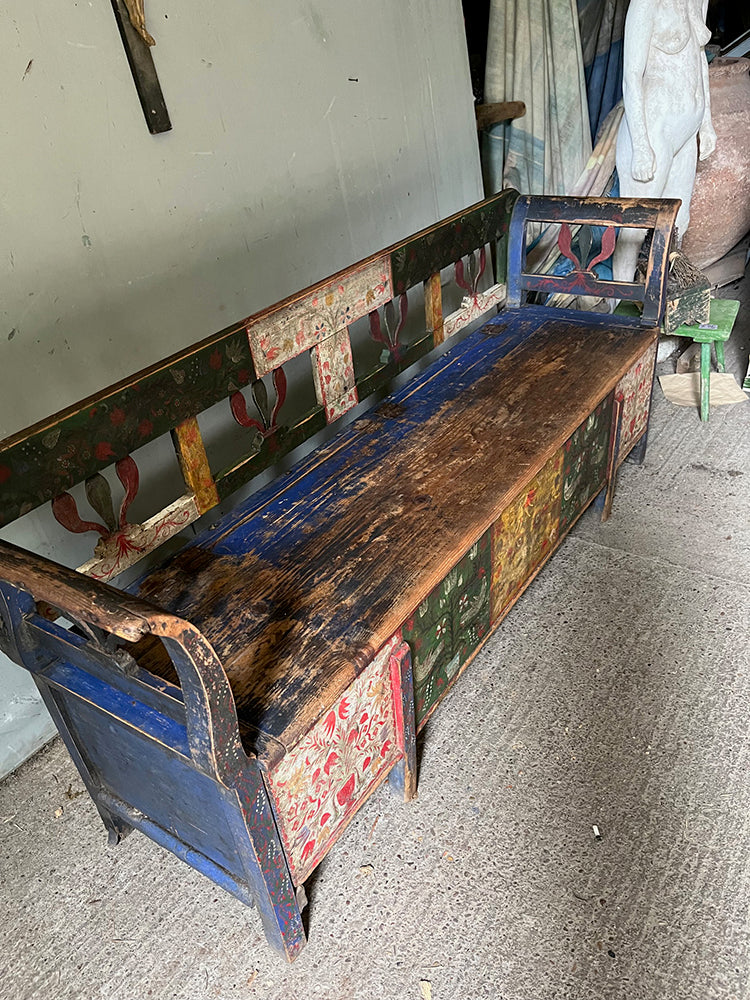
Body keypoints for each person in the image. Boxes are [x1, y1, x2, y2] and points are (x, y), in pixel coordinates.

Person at [612, 0, 716, 284]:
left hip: (686, 130)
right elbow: (631, 77)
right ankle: (621, 301)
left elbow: (699, 58)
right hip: (654, 128)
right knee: (634, 229)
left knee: (678, 221)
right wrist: (641, 147)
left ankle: (663, 294)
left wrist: (706, 124)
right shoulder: (646, 4)